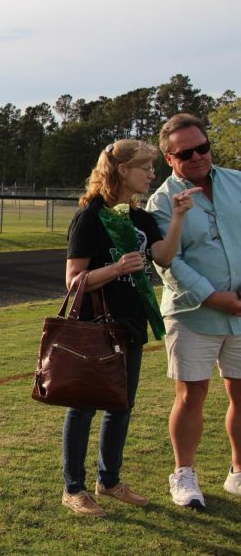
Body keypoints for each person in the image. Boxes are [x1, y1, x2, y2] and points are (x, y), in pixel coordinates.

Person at [62, 139, 199, 517]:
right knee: (84, 408)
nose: (152, 174)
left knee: (121, 407)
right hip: (95, 327)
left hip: (131, 325)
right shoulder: (91, 215)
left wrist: (179, 216)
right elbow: (74, 280)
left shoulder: (139, 218)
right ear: (122, 170)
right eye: (145, 167)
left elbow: (164, 257)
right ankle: (73, 487)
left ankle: (108, 481)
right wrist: (118, 269)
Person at [146, 113, 241, 509]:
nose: (199, 157)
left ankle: (238, 471)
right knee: (192, 394)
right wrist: (211, 296)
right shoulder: (162, 202)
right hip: (192, 313)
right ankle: (184, 474)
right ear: (170, 158)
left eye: (203, 148)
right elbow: (169, 261)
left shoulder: (237, 181)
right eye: (186, 153)